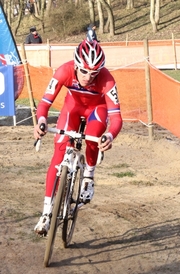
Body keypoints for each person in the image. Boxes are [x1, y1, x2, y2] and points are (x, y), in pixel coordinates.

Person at [34, 39, 122, 236]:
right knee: (58, 154)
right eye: (83, 71)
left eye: (94, 73)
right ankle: (46, 213)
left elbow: (116, 118)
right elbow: (44, 103)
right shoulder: (64, 71)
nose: (88, 77)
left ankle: (89, 175)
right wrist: (41, 122)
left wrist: (109, 135)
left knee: (94, 135)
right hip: (72, 108)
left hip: (96, 110)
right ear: (75, 65)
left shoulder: (107, 80)